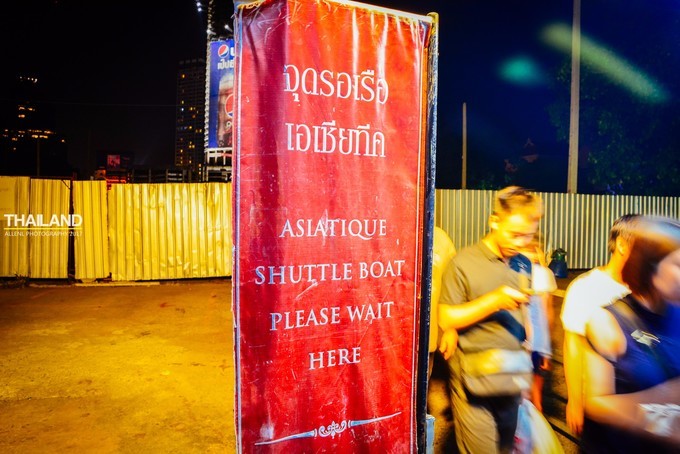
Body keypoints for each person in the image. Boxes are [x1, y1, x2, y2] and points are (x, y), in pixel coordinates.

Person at [438, 186, 542, 454]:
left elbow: (526, 313)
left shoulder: (523, 263)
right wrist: (494, 301)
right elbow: (446, 318)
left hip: (511, 377)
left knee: (507, 449)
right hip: (473, 383)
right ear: (494, 221)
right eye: (514, 234)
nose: (521, 243)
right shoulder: (462, 263)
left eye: (528, 235)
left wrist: (529, 361)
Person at [581, 216, 680, 452]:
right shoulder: (607, 321)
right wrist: (663, 420)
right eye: (678, 264)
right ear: (650, 267)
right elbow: (596, 403)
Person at [561, 214, 639, 435]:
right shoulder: (586, 288)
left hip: (639, 403)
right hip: (600, 401)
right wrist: (575, 401)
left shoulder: (647, 289)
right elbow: (573, 346)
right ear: (622, 244)